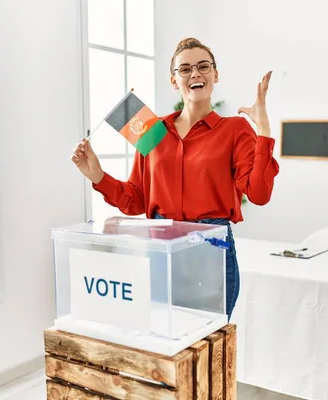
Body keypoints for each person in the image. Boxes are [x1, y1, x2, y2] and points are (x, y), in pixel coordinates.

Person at [72, 37, 279, 320]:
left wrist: (264, 128)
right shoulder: (151, 131)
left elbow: (259, 194)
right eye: (185, 69)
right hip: (159, 247)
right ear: (174, 81)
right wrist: (97, 175)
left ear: (215, 75)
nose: (195, 73)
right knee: (162, 347)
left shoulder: (235, 129)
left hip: (210, 249)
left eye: (203, 66)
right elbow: (136, 200)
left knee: (207, 349)